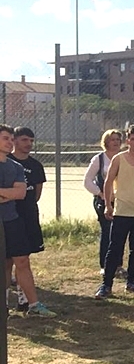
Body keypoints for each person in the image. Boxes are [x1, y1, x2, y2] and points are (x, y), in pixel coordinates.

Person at [95, 125, 134, 299]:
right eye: (133, 139)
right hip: (122, 212)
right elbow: (108, 183)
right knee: (114, 248)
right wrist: (108, 205)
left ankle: (132, 282)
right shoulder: (119, 159)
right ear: (128, 140)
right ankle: (106, 285)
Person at [1, 125, 55, 317]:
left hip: (15, 220)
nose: (9, 142)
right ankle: (4, 304)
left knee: (22, 260)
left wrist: (9, 194)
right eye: (5, 138)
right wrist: (10, 194)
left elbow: (22, 193)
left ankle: (32, 305)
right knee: (5, 263)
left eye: (10, 138)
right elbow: (14, 193)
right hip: (5, 220)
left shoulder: (17, 167)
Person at [8, 127, 47, 313]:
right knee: (7, 260)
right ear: (14, 141)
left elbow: (36, 194)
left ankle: (24, 299)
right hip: (9, 217)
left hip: (28, 217)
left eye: (31, 140)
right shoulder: (7, 163)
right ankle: (6, 299)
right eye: (24, 140)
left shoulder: (36, 165)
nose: (29, 144)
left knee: (23, 258)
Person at [83, 128, 123, 273]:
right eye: (112, 140)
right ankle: (105, 265)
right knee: (107, 232)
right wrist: (100, 193)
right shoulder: (99, 159)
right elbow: (87, 180)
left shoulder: (124, 157)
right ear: (105, 142)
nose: (116, 142)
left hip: (122, 201)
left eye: (118, 139)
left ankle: (118, 265)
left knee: (120, 233)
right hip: (104, 201)